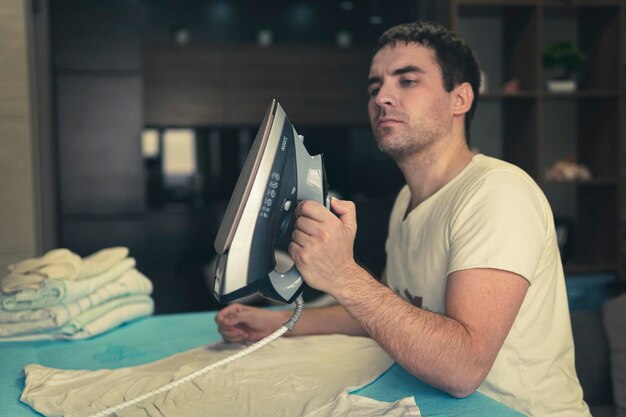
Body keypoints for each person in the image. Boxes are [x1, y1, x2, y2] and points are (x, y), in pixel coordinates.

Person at [215, 21, 590, 416]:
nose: (382, 98)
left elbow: (463, 368)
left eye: (407, 81)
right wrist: (280, 323)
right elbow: (385, 313)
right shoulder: (406, 201)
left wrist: (344, 274)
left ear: (459, 99)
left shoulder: (497, 193)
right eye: (375, 87)